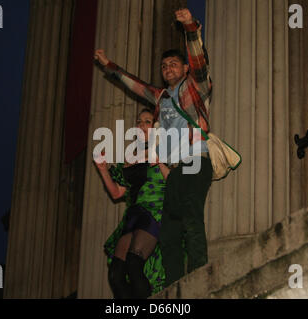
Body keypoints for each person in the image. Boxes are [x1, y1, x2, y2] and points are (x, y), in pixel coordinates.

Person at [94, 8, 213, 287]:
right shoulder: (161, 98)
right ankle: (173, 285)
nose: (168, 68)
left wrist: (190, 28)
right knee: (170, 228)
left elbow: (199, 61)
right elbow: (134, 85)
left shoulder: (196, 87)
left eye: (173, 64)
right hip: (174, 168)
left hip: (196, 160)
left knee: (191, 217)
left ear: (184, 69)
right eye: (164, 66)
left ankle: (198, 277)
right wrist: (108, 64)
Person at [94, 108, 171, 299]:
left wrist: (160, 160)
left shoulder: (164, 149)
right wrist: (103, 170)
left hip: (154, 211)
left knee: (134, 264)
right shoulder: (129, 158)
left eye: (147, 121)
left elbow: (173, 183)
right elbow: (116, 192)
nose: (141, 125)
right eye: (139, 121)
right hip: (133, 216)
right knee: (116, 274)